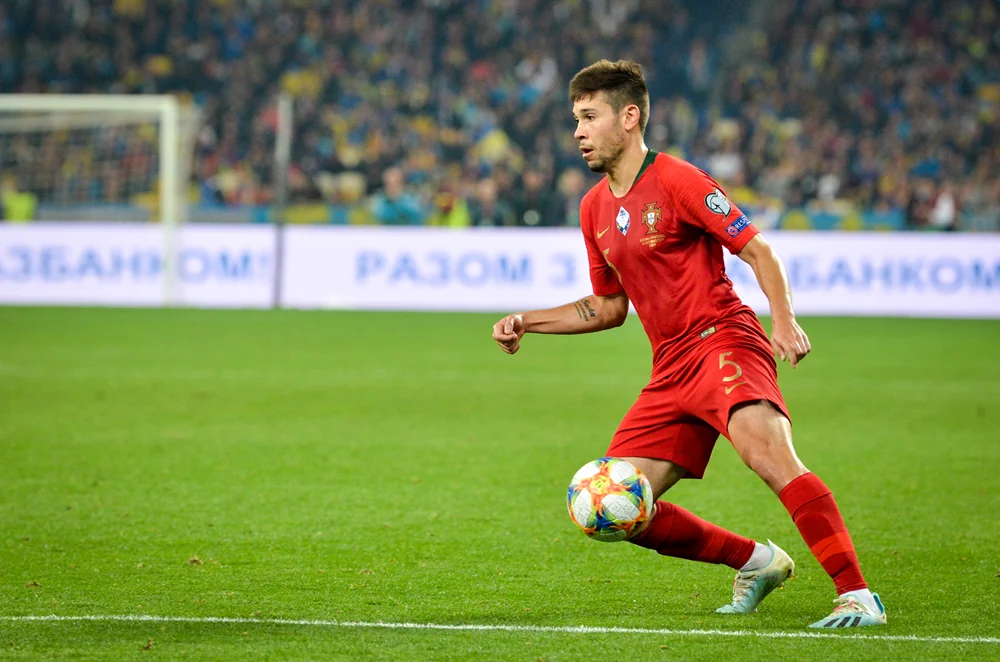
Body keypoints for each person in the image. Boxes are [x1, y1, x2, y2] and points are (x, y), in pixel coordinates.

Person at [491, 60, 886, 629]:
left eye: (588, 117)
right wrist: (527, 321)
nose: (577, 132)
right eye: (574, 119)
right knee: (612, 507)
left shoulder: (680, 180)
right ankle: (757, 561)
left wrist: (783, 319)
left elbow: (758, 251)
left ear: (629, 118)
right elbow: (608, 308)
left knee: (769, 456)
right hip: (670, 367)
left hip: (724, 340)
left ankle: (857, 594)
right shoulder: (593, 208)